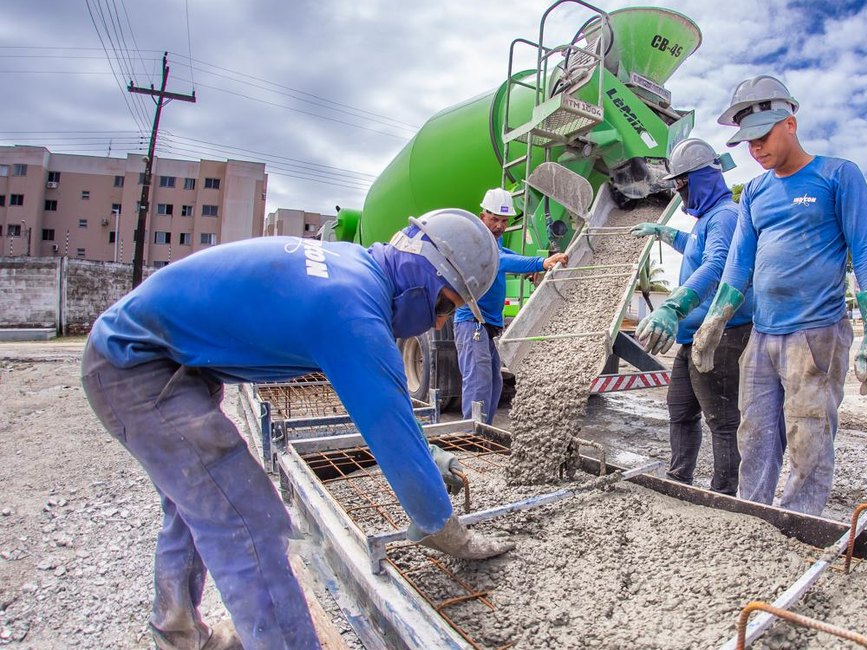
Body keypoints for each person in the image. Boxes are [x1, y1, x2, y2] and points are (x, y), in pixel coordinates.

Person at [80, 209, 515, 650]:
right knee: (250, 521)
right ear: (424, 271)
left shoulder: (356, 271)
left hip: (167, 362)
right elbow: (390, 430)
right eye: (445, 305)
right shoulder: (353, 311)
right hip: (136, 367)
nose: (440, 322)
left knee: (196, 503)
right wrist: (443, 526)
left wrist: (433, 458)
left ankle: (176, 632)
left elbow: (389, 407)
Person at [691, 75, 867, 516]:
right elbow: (739, 266)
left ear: (789, 122)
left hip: (815, 334)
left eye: (762, 137)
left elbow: (866, 256)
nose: (755, 150)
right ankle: (753, 519)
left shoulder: (838, 176)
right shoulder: (754, 192)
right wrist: (714, 320)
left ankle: (800, 521)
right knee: (755, 436)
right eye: (746, 142)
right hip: (762, 336)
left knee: (808, 437)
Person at [630, 138, 754, 496]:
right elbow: (694, 248)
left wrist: (674, 306)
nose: (680, 194)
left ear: (703, 179)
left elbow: (716, 265)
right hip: (692, 335)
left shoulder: (726, 216)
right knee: (681, 408)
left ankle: (724, 493)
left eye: (683, 185)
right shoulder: (706, 220)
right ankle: (680, 477)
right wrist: (662, 232)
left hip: (722, 333)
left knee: (721, 417)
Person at [454, 188, 568, 423]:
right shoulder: (474, 237)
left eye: (504, 221)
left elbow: (503, 253)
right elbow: (499, 259)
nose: (499, 225)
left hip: (490, 324)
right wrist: (539, 263)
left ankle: (483, 431)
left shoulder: (494, 239)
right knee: (478, 381)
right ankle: (472, 435)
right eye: (494, 219)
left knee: (494, 382)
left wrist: (525, 268)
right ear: (482, 215)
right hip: (472, 321)